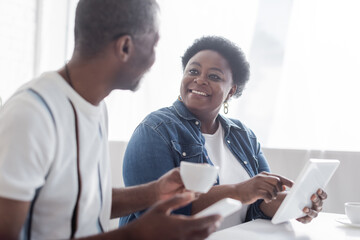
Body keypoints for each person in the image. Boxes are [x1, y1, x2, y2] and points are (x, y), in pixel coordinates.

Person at [0, 1, 221, 239]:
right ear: (125, 47)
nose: (154, 59)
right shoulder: (31, 115)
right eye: (154, 44)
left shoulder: (96, 106)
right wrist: (134, 235)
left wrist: (155, 192)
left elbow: (83, 203)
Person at [120, 36, 327, 228]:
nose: (200, 80)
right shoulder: (155, 129)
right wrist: (239, 192)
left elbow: (259, 203)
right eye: (193, 71)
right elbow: (159, 214)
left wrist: (296, 205)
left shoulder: (244, 135)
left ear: (231, 90)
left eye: (214, 76)